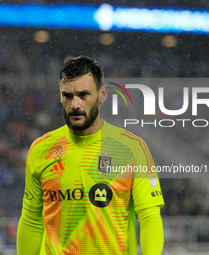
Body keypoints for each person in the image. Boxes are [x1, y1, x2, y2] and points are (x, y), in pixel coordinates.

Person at [17, 56, 164, 255]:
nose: (74, 104)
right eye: (67, 95)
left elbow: (149, 217)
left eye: (84, 95)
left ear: (102, 94)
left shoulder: (132, 148)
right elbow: (31, 220)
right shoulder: (41, 149)